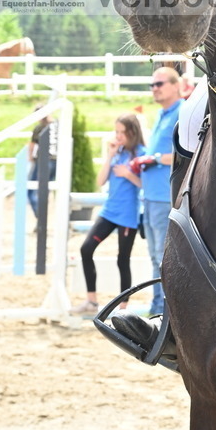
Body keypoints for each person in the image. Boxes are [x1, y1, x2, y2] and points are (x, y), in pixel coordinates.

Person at [71, 113, 146, 317]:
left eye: (122, 132)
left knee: (122, 260)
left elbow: (145, 185)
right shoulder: (117, 152)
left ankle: (123, 308)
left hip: (127, 216)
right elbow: (100, 181)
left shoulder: (141, 154)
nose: (118, 136)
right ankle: (92, 301)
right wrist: (110, 156)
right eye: (116, 132)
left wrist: (128, 174)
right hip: (109, 213)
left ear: (132, 132)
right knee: (86, 249)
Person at [129, 66, 183, 317]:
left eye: (159, 84)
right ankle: (158, 308)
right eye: (152, 85)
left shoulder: (182, 112)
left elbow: (188, 154)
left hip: (164, 196)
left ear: (175, 85)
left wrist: (156, 159)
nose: (155, 89)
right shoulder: (163, 115)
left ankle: (162, 311)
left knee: (162, 258)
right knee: (154, 256)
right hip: (151, 196)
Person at [27, 108, 58, 218]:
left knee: (31, 191)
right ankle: (42, 217)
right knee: (46, 191)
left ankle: (40, 217)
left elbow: (32, 145)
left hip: (44, 162)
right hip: (56, 162)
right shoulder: (58, 125)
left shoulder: (40, 128)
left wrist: (30, 158)